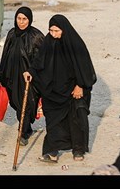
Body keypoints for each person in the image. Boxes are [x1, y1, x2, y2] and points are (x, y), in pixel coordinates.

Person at [23, 14, 97, 163]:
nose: (53, 34)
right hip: (53, 90)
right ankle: (52, 152)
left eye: (57, 31)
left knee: (76, 119)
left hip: (74, 90)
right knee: (53, 121)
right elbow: (39, 62)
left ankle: (78, 149)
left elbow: (85, 68)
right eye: (51, 30)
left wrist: (80, 86)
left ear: (64, 29)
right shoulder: (48, 42)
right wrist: (30, 71)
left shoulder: (75, 44)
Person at [0, 7, 45, 146]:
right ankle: (27, 129)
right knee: (17, 103)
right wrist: (1, 77)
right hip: (12, 76)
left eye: (24, 19)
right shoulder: (12, 33)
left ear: (29, 20)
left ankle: (22, 133)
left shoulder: (36, 37)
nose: (21, 22)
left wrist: (31, 71)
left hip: (29, 79)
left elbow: (42, 59)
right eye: (19, 18)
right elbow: (5, 55)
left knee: (28, 103)